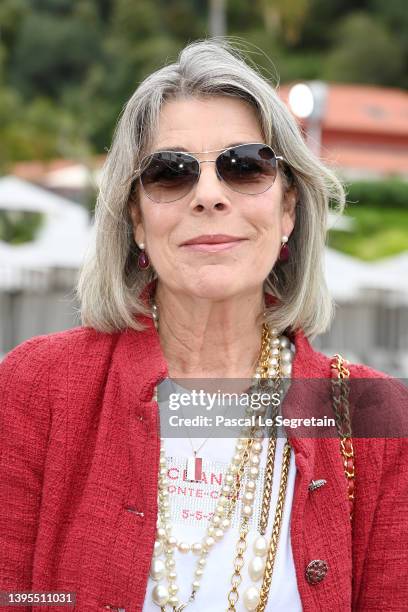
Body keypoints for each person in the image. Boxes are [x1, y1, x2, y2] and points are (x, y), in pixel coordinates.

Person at [0, 39, 407, 612]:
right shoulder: (36, 386)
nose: (209, 196)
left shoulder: (371, 414)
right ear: (136, 218)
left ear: (288, 209)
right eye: (171, 173)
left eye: (246, 167)